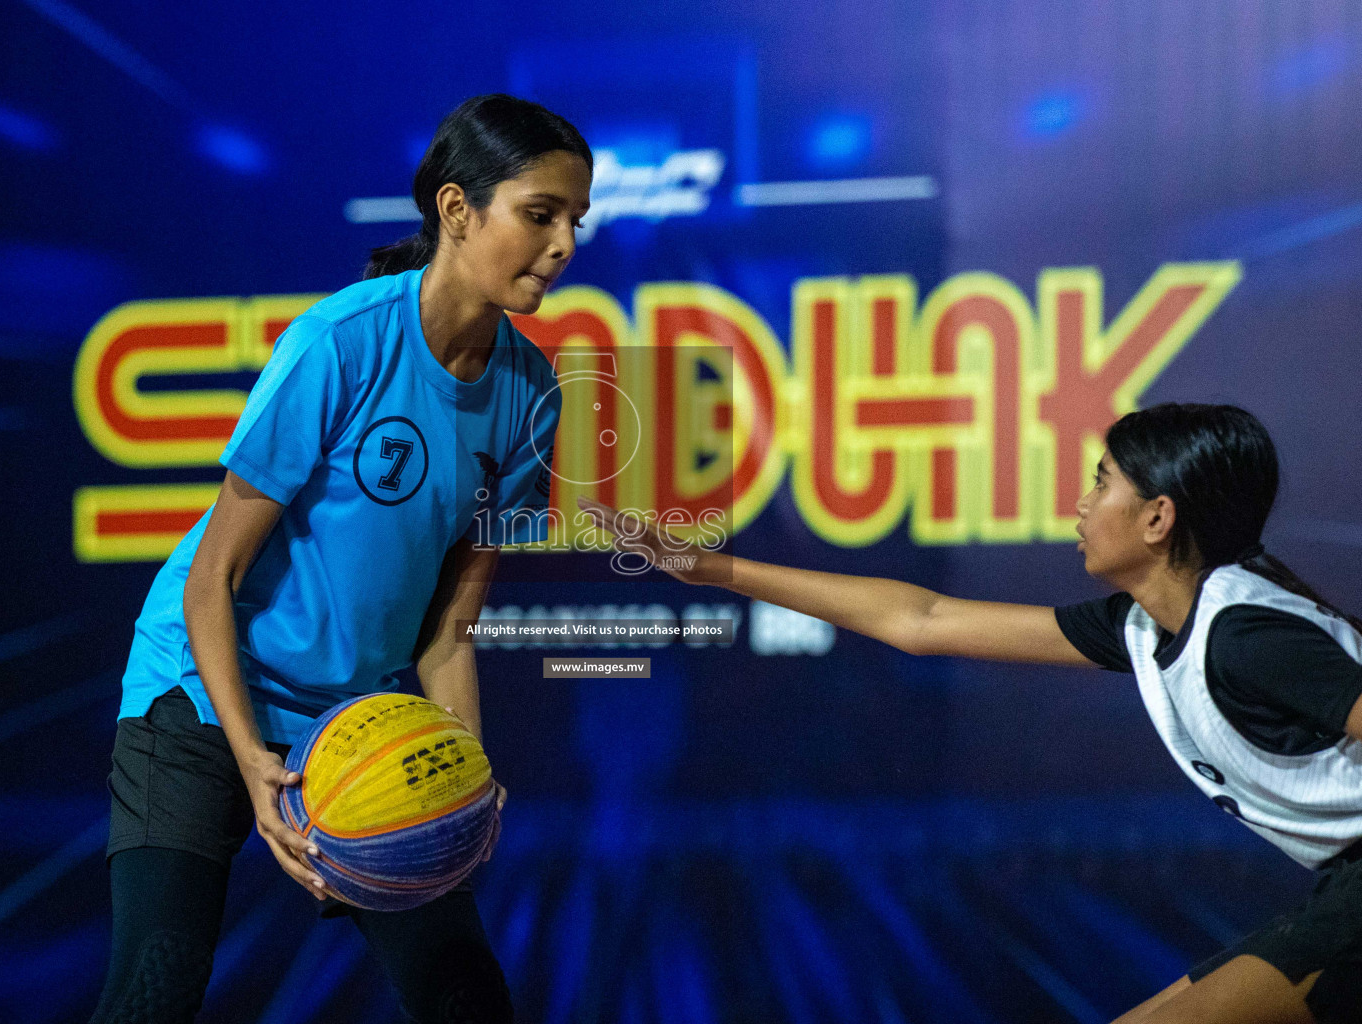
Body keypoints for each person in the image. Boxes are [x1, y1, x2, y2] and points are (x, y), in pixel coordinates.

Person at [580, 403, 1362, 1024]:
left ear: (1158, 518)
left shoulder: (1245, 635)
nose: (1081, 503)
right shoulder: (1146, 625)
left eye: (1102, 481)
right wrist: (713, 568)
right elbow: (921, 621)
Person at [89, 94, 591, 1024]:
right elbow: (212, 580)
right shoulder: (340, 342)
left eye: (575, 220)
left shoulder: (533, 397)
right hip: (199, 695)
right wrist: (251, 761)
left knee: (466, 1000)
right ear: (455, 210)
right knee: (156, 989)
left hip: (358, 725)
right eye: (540, 214)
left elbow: (448, 628)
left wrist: (464, 777)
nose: (564, 244)